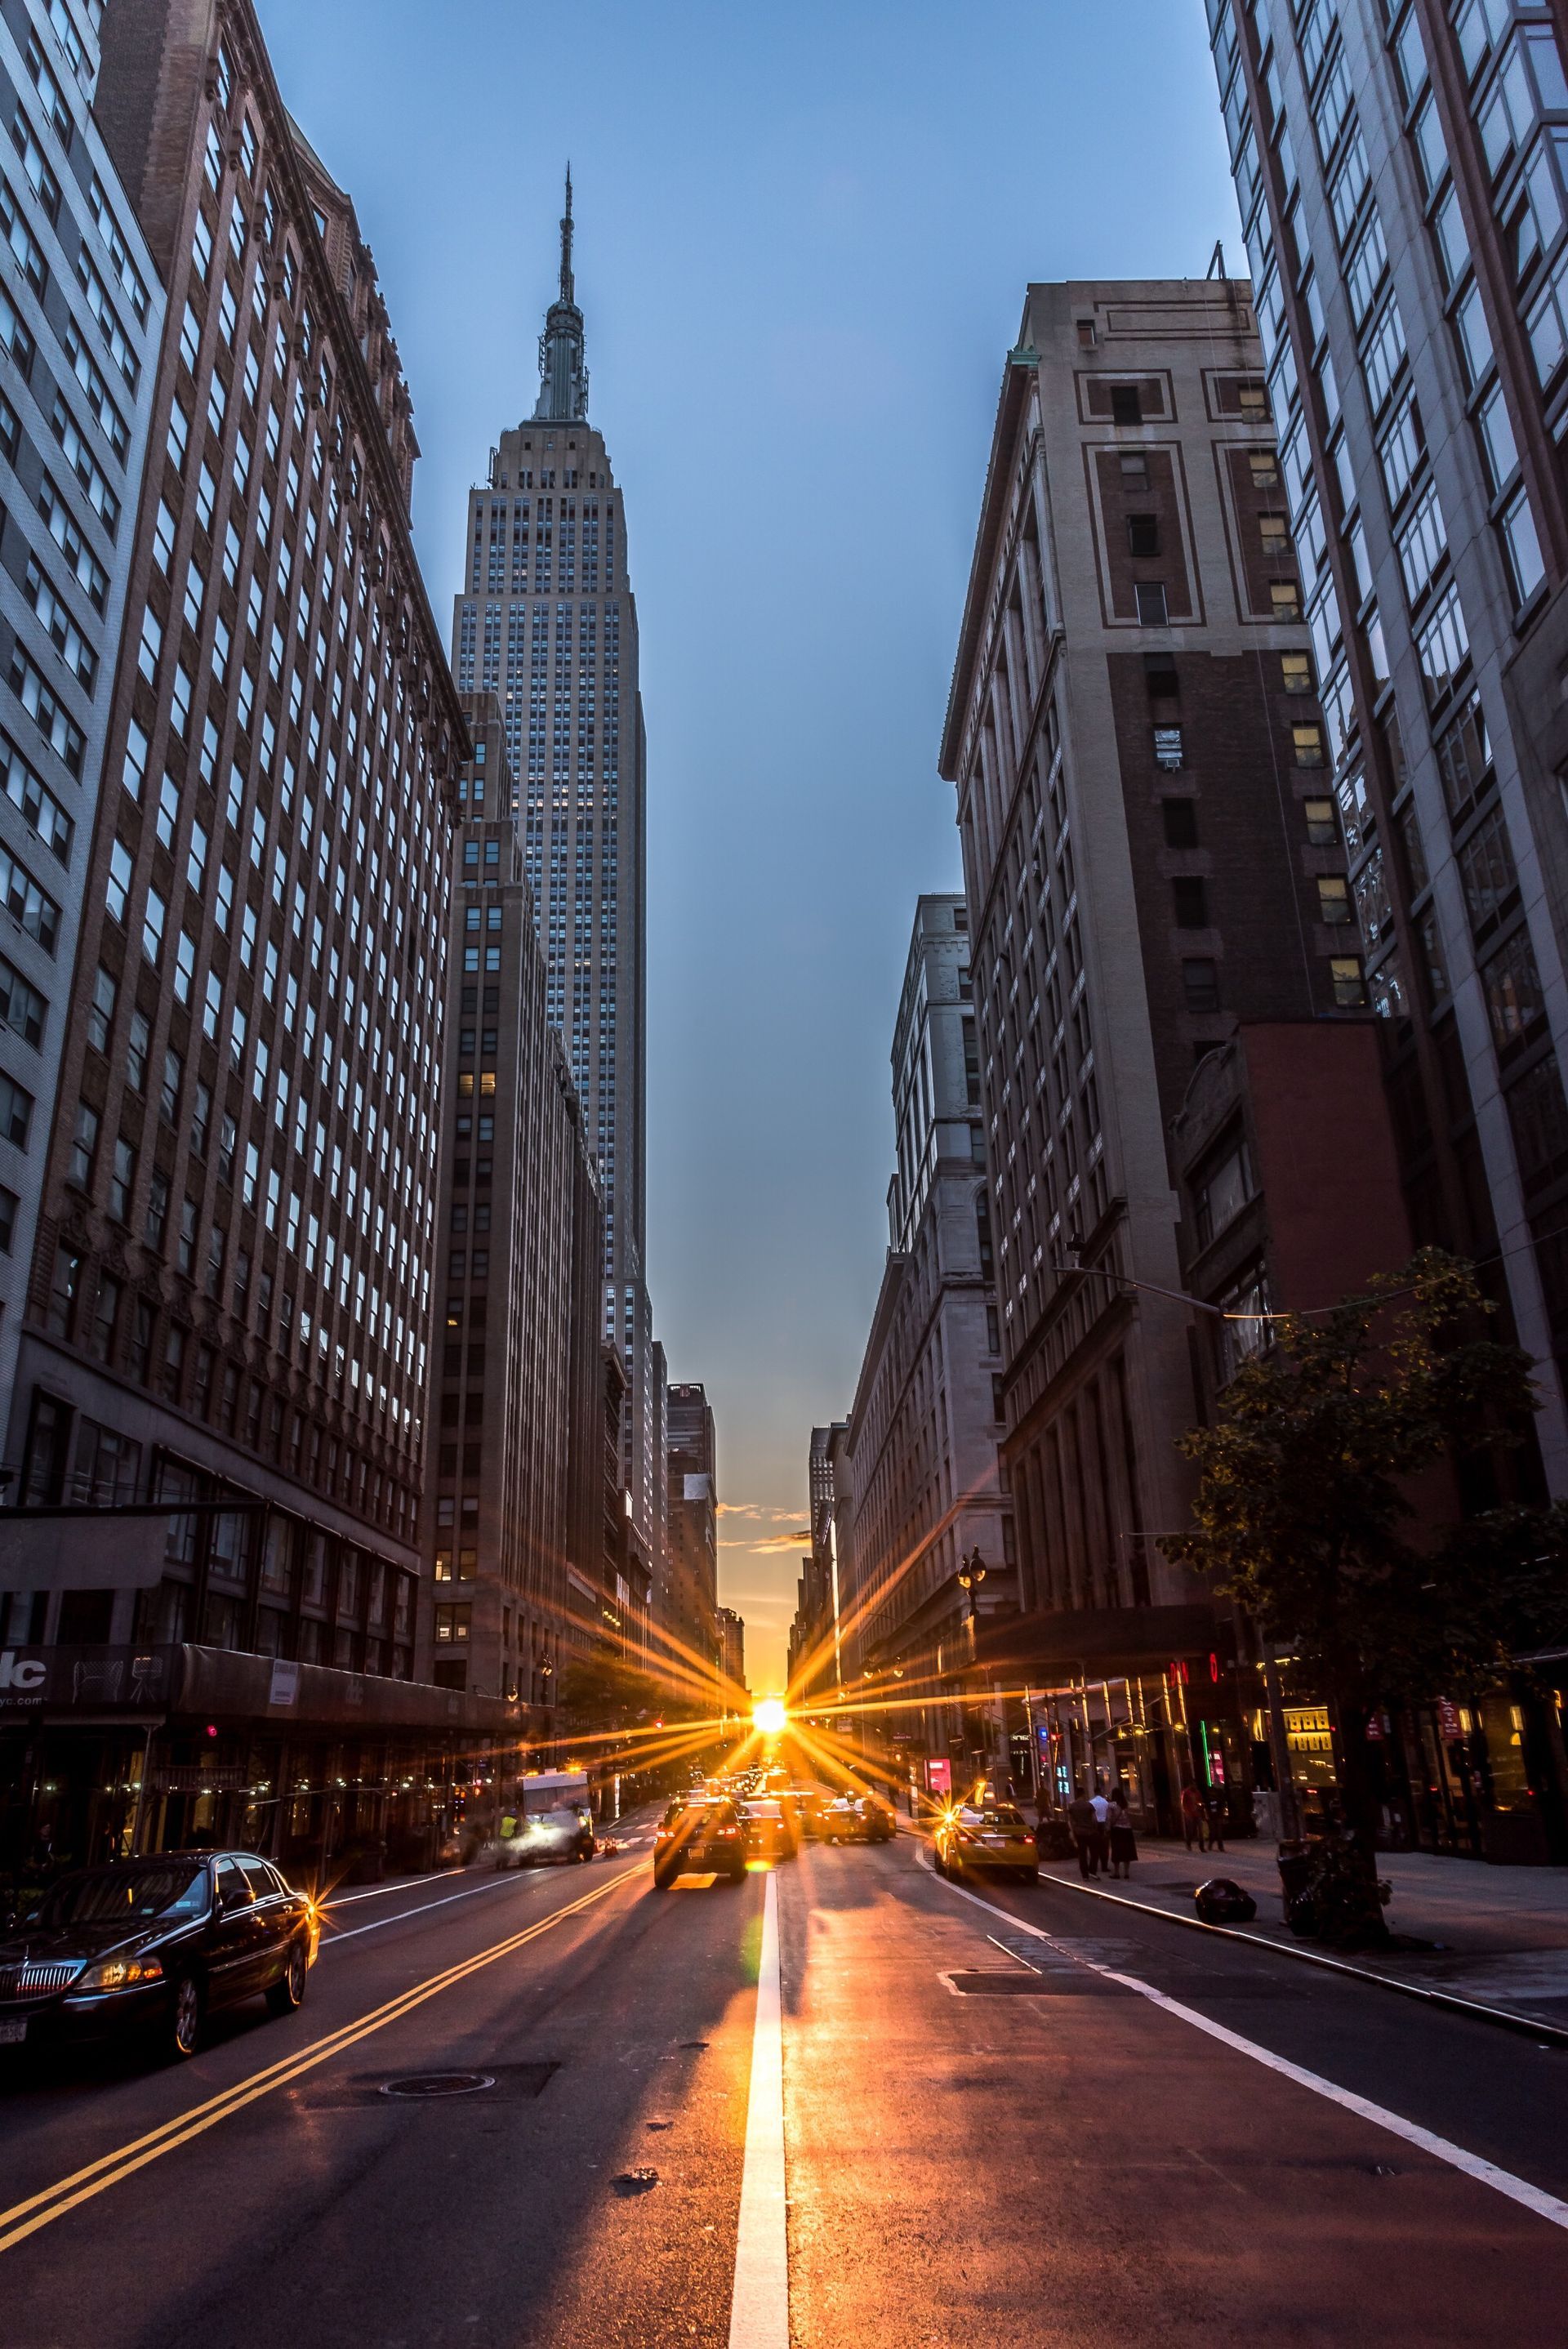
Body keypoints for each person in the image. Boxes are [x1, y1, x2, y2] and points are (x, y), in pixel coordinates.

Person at [1067, 1788, 1100, 1877]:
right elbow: (1094, 1820)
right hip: (1090, 1832)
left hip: (1079, 1832)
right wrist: (1095, 1828)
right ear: (1083, 1794)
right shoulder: (1089, 1805)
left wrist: (1073, 1832)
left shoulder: (1072, 1807)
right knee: (1094, 1852)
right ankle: (1092, 1870)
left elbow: (1070, 1821)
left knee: (1082, 1854)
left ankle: (1084, 1874)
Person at [1107, 1787, 1137, 1880]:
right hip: (1127, 1831)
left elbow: (1110, 1818)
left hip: (1117, 1830)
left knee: (1117, 1851)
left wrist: (1108, 1827)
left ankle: (1116, 1873)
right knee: (1127, 1851)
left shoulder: (1112, 1805)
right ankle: (1126, 1873)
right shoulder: (1126, 1804)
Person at [1089, 1783, 1111, 1875]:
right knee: (1105, 1847)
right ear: (1100, 1792)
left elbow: (1090, 1816)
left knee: (1095, 1847)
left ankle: (1094, 1866)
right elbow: (1108, 1815)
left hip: (1095, 1826)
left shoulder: (1091, 1802)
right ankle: (1104, 1866)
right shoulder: (1105, 1802)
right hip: (1103, 1824)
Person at [1179, 1781, 1205, 1852]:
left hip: (1197, 1813)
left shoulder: (1197, 1792)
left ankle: (1201, 1847)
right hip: (1190, 1814)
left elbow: (1200, 1801)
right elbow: (1183, 1804)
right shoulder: (1186, 1792)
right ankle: (1188, 1842)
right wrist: (1186, 1812)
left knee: (1200, 1830)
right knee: (1191, 1830)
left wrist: (1200, 1807)